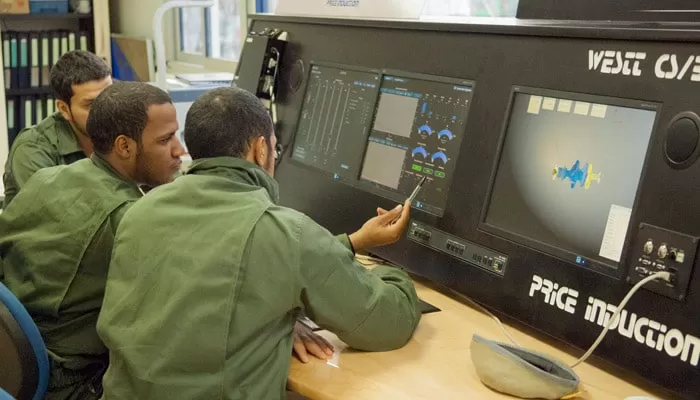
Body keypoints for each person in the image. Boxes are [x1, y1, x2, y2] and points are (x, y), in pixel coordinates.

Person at [97, 87, 422, 399]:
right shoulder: (287, 233)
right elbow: (385, 323)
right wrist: (395, 273)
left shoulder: (139, 211)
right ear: (260, 149)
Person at [0, 81, 184, 400]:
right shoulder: (129, 219)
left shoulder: (48, 177)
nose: (179, 150)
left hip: (14, 363)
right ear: (124, 146)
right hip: (73, 382)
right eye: (165, 139)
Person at [2, 50, 112, 207]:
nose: (106, 109)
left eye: (109, 97)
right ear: (64, 109)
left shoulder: (123, 131)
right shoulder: (32, 148)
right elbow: (58, 213)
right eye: (91, 104)